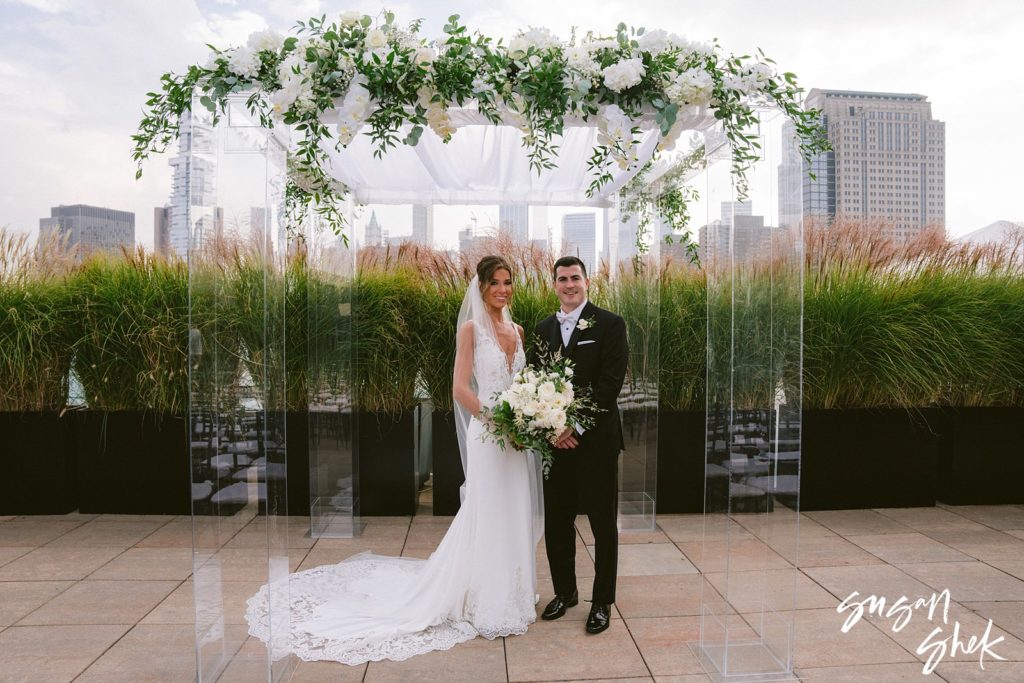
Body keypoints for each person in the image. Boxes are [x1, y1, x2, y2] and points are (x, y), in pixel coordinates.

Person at [245, 255, 544, 664]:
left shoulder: (519, 330)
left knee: (514, 509)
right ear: (481, 286)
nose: (503, 289)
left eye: (508, 282)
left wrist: (528, 418)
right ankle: (485, 599)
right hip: (490, 434)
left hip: (517, 438)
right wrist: (499, 422)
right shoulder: (472, 329)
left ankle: (515, 594)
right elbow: (459, 388)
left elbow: (522, 384)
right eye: (495, 282)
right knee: (488, 510)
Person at [532, 256, 628, 635]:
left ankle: (602, 600)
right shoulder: (542, 329)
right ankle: (565, 591)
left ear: (587, 281)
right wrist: (555, 428)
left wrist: (575, 426)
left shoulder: (610, 324)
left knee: (603, 523)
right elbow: (535, 384)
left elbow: (610, 382)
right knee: (557, 520)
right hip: (556, 444)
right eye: (562, 279)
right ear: (554, 285)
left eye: (575, 278)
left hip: (596, 442)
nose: (569, 284)